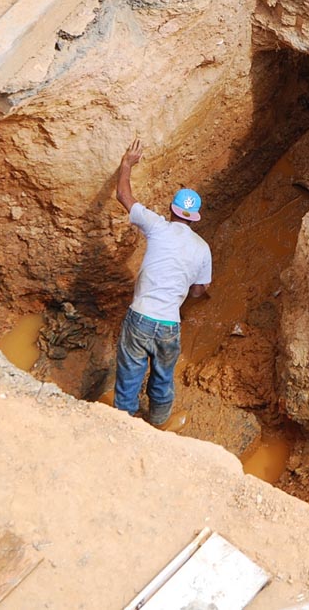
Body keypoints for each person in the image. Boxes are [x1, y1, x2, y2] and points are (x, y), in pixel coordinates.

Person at [113, 138, 212, 426]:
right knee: (162, 379)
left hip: (140, 317)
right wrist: (189, 290)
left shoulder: (157, 226)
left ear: (171, 208)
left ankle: (122, 424)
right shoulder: (202, 248)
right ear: (195, 218)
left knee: (129, 376)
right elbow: (198, 290)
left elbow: (123, 195)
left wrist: (127, 164)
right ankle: (158, 424)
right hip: (169, 324)